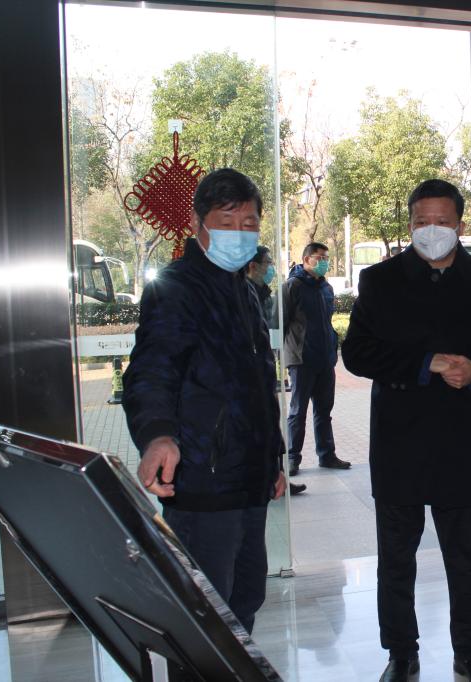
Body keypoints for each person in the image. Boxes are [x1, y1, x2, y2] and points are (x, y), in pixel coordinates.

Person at [342, 179, 471, 682]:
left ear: (460, 225)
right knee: (395, 559)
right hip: (399, 441)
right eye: (422, 222)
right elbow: (356, 352)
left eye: (442, 222)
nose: (431, 230)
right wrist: (423, 363)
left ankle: (469, 652)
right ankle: (401, 653)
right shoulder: (380, 281)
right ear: (409, 224)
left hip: (462, 441)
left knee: (466, 557)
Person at [122, 168, 287, 632]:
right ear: (198, 224)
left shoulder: (244, 290)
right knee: (207, 615)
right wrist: (157, 435)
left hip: (248, 479)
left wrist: (272, 462)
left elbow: (257, 388)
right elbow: (152, 369)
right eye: (227, 222)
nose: (240, 233)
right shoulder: (176, 288)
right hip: (203, 481)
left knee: (246, 597)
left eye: (249, 223)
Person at [281, 242, 351, 476]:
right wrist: (283, 357)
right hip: (301, 359)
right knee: (297, 412)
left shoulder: (326, 288)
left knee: (324, 410)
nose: (324, 262)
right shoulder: (292, 286)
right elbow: (281, 323)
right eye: (320, 258)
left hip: (324, 358)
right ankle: (292, 458)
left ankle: (327, 455)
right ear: (306, 259)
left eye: (326, 258)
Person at [246, 245, 306, 496]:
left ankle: (277, 478)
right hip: (251, 377)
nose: (271, 268)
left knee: (272, 428)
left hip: (264, 371)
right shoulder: (244, 293)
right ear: (253, 266)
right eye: (268, 263)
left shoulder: (262, 294)